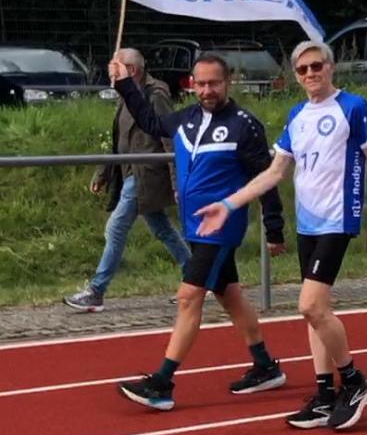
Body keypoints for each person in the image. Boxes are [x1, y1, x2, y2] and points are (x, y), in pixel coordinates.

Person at [195, 40, 367, 431]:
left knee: (310, 306)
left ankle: (353, 381)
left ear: (330, 67)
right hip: (307, 224)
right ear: (296, 76)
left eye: (317, 66)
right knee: (316, 313)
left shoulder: (353, 106)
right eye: (303, 69)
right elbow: (274, 172)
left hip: (338, 219)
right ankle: (324, 394)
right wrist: (228, 204)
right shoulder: (297, 114)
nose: (311, 73)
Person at [110, 53, 286, 411]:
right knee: (229, 294)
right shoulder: (186, 118)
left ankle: (162, 382)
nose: (207, 90)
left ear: (228, 82)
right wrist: (125, 83)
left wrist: (274, 228)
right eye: (200, 84)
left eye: (214, 83)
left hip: (221, 229)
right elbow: (149, 121)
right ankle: (265, 365)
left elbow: (265, 178)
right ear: (192, 85)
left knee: (189, 296)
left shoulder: (244, 125)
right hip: (194, 225)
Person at [64, 48, 190, 312]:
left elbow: (170, 138)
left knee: (116, 228)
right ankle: (199, 278)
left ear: (131, 70)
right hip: (130, 172)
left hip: (146, 175)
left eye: (115, 67)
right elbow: (118, 140)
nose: (110, 72)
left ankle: (96, 291)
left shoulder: (155, 95)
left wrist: (177, 181)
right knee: (162, 229)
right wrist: (103, 172)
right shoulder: (126, 94)